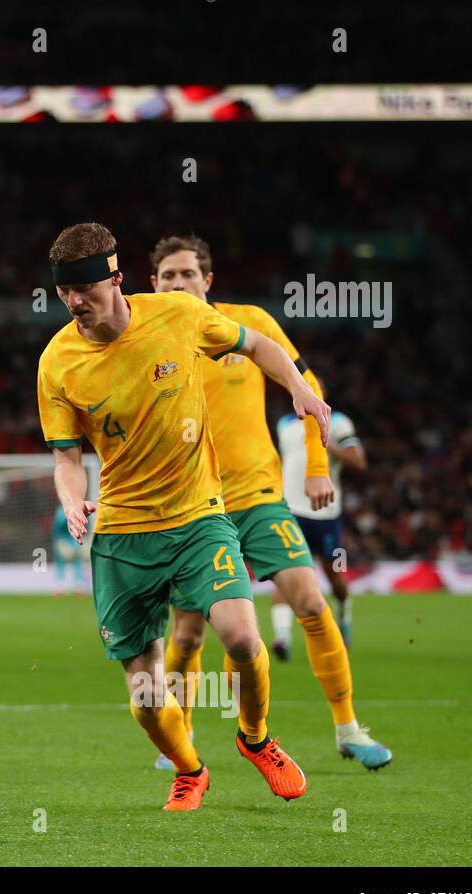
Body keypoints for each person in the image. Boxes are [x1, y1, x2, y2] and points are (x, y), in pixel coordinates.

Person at [38, 222, 325, 811]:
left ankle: (256, 738)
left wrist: (298, 388)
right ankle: (190, 768)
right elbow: (67, 457)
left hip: (198, 516)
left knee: (243, 639)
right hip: (122, 533)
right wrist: (71, 499)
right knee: (145, 695)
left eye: (84, 291)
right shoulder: (56, 362)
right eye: (64, 293)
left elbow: (258, 345)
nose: (74, 304)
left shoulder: (178, 315)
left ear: (116, 280)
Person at [149, 235, 391, 772]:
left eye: (188, 274)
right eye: (168, 276)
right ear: (154, 284)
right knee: (187, 634)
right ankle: (181, 737)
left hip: (260, 496)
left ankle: (348, 728)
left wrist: (320, 466)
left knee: (309, 599)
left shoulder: (244, 322)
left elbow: (303, 380)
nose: (178, 283)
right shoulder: (150, 339)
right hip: (192, 508)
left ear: (207, 281)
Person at [272, 409, 368, 651]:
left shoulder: (338, 421)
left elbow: (358, 461)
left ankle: (344, 615)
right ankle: (282, 637)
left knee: (332, 572)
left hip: (325, 512)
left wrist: (327, 447)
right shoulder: (284, 424)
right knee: (285, 572)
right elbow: (284, 461)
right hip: (290, 510)